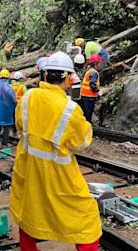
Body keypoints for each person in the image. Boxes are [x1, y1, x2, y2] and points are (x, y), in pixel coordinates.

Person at [10, 52, 102, 251]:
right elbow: (82, 142)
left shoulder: (27, 98)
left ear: (44, 75)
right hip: (59, 175)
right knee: (87, 220)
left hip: (29, 169)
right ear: (69, 78)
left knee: (29, 213)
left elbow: (19, 125)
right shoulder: (69, 109)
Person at [0, 69, 17, 149]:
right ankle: (5, 142)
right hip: (8, 111)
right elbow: (15, 100)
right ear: (8, 77)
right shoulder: (10, 88)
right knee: (7, 127)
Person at [80, 54, 103, 123]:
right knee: (88, 116)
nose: (100, 65)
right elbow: (92, 84)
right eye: (99, 63)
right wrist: (98, 91)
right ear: (96, 63)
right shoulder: (94, 72)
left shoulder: (89, 70)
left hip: (84, 96)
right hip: (89, 97)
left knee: (85, 114)